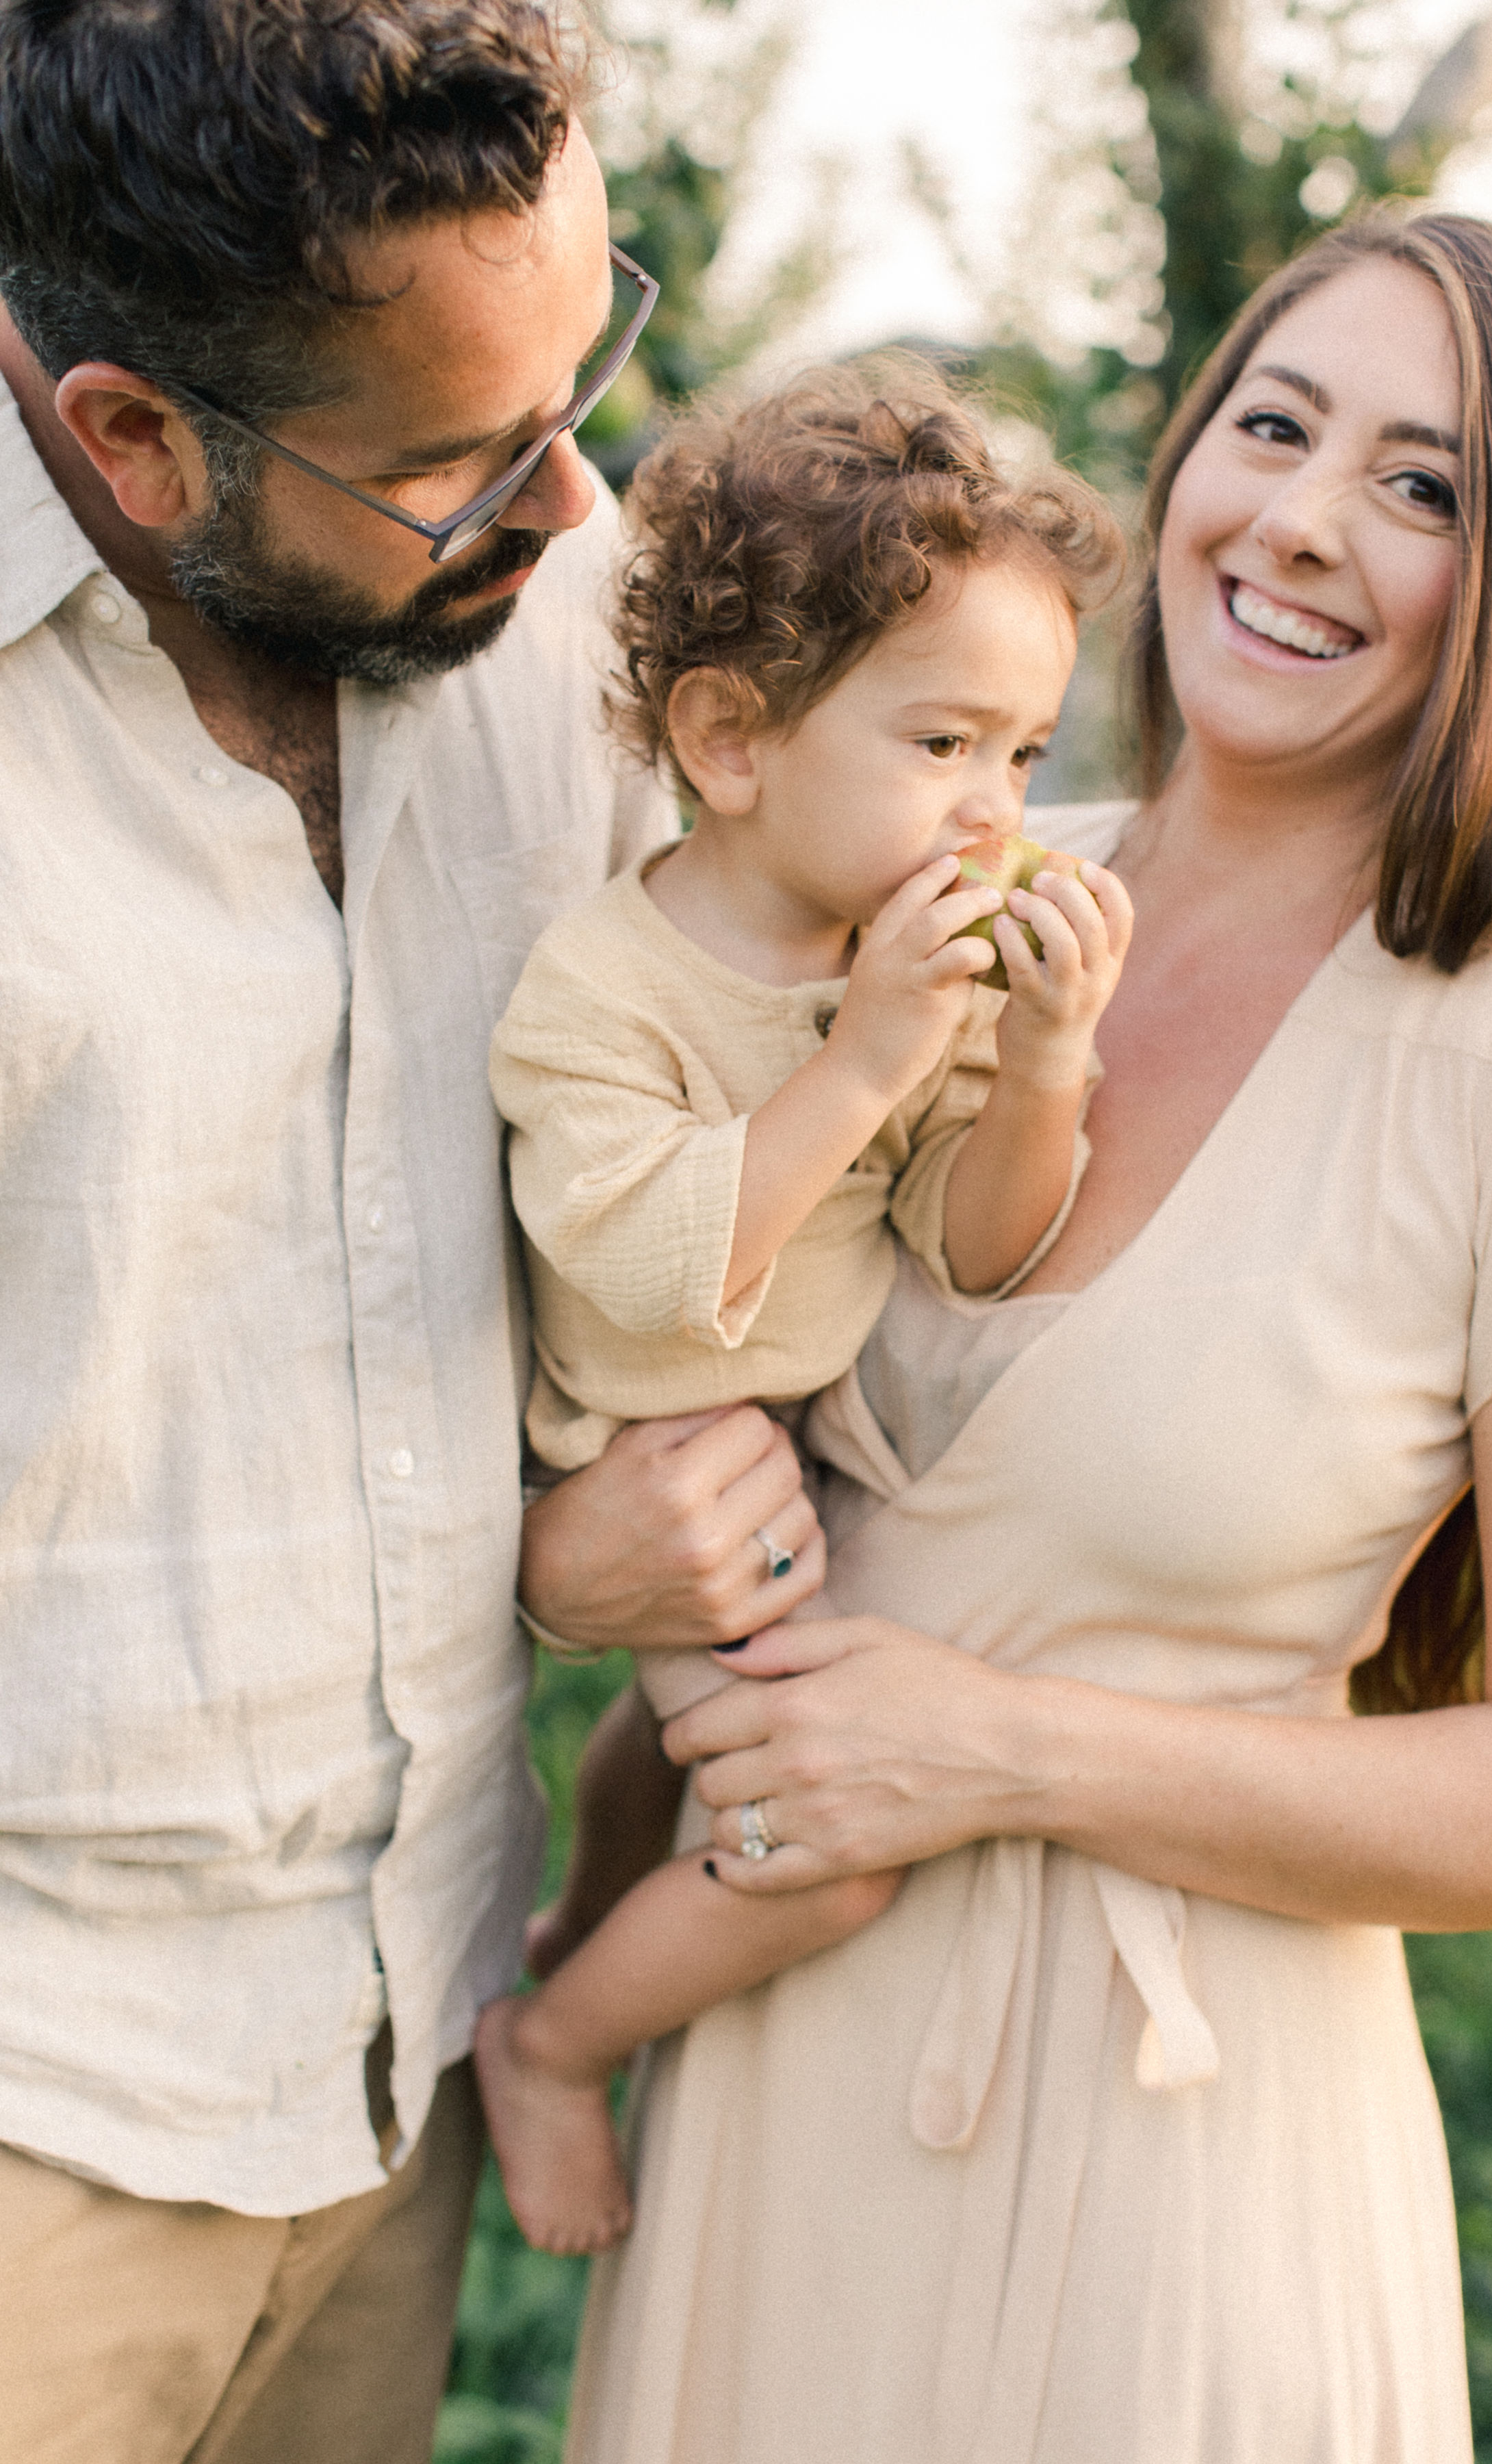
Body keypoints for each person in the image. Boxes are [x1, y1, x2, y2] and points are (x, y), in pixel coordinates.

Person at [562, 209, 1492, 2463]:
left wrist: (1011, 1753)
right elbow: (607, 1307)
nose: (1304, 520)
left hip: (1187, 2170)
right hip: (770, 2102)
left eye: (1424, 486)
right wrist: (575, 1567)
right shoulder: (917, 867)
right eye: (1275, 425)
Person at [0, 7, 827, 2460]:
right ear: (133, 436)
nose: (577, 502)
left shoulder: (555, 625)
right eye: (465, 460)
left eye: (591, 371)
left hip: (401, 2065)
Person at [476, 365, 1129, 2255]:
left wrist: (1041, 1074)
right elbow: (662, 1261)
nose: (998, 809)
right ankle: (557, 2041)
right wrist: (860, 1063)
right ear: (735, 740)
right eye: (945, 746)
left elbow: (970, 1246)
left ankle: (577, 1933)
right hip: (656, 1444)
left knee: (657, 1752)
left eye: (1024, 755)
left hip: (785, 1445)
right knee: (820, 1857)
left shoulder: (894, 971)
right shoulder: (605, 985)